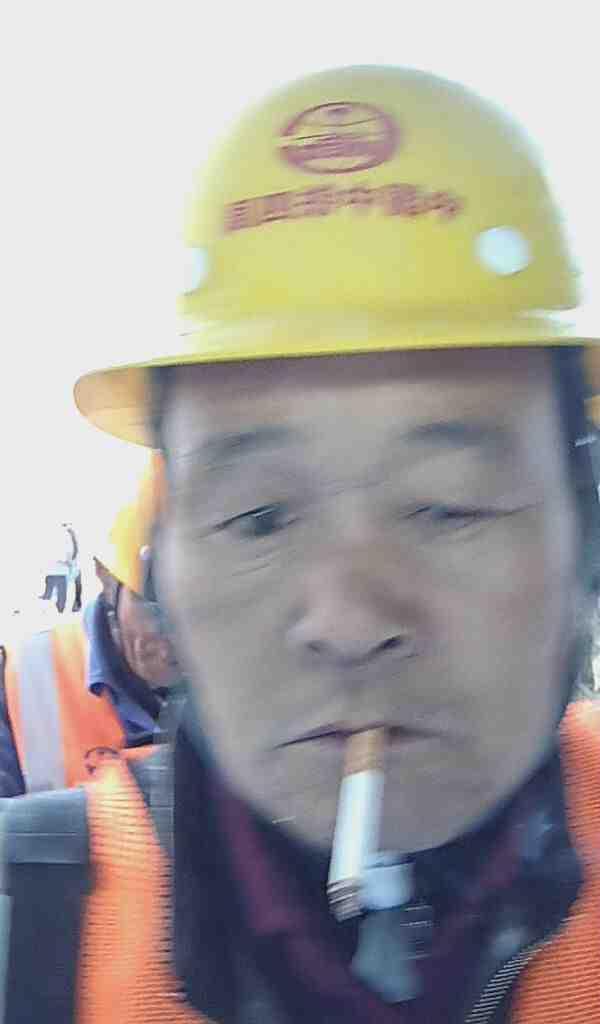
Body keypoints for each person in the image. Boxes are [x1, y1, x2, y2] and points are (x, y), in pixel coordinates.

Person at [3, 66, 600, 1023]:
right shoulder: (28, 924)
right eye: (261, 518)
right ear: (167, 570)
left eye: (449, 507)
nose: (349, 621)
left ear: (582, 544)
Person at [0, 451, 182, 795]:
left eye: (197, 608)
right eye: (156, 609)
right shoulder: (19, 681)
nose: (181, 637)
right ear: (106, 580)